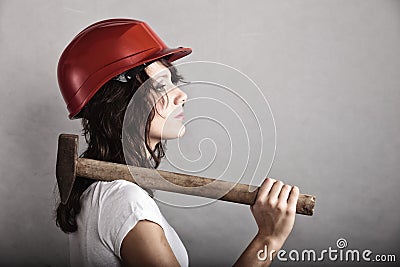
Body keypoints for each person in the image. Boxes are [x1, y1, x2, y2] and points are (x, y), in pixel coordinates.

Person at [55, 18, 299, 267]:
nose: (181, 95)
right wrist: (268, 239)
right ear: (120, 103)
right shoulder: (125, 202)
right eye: (161, 85)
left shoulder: (105, 194)